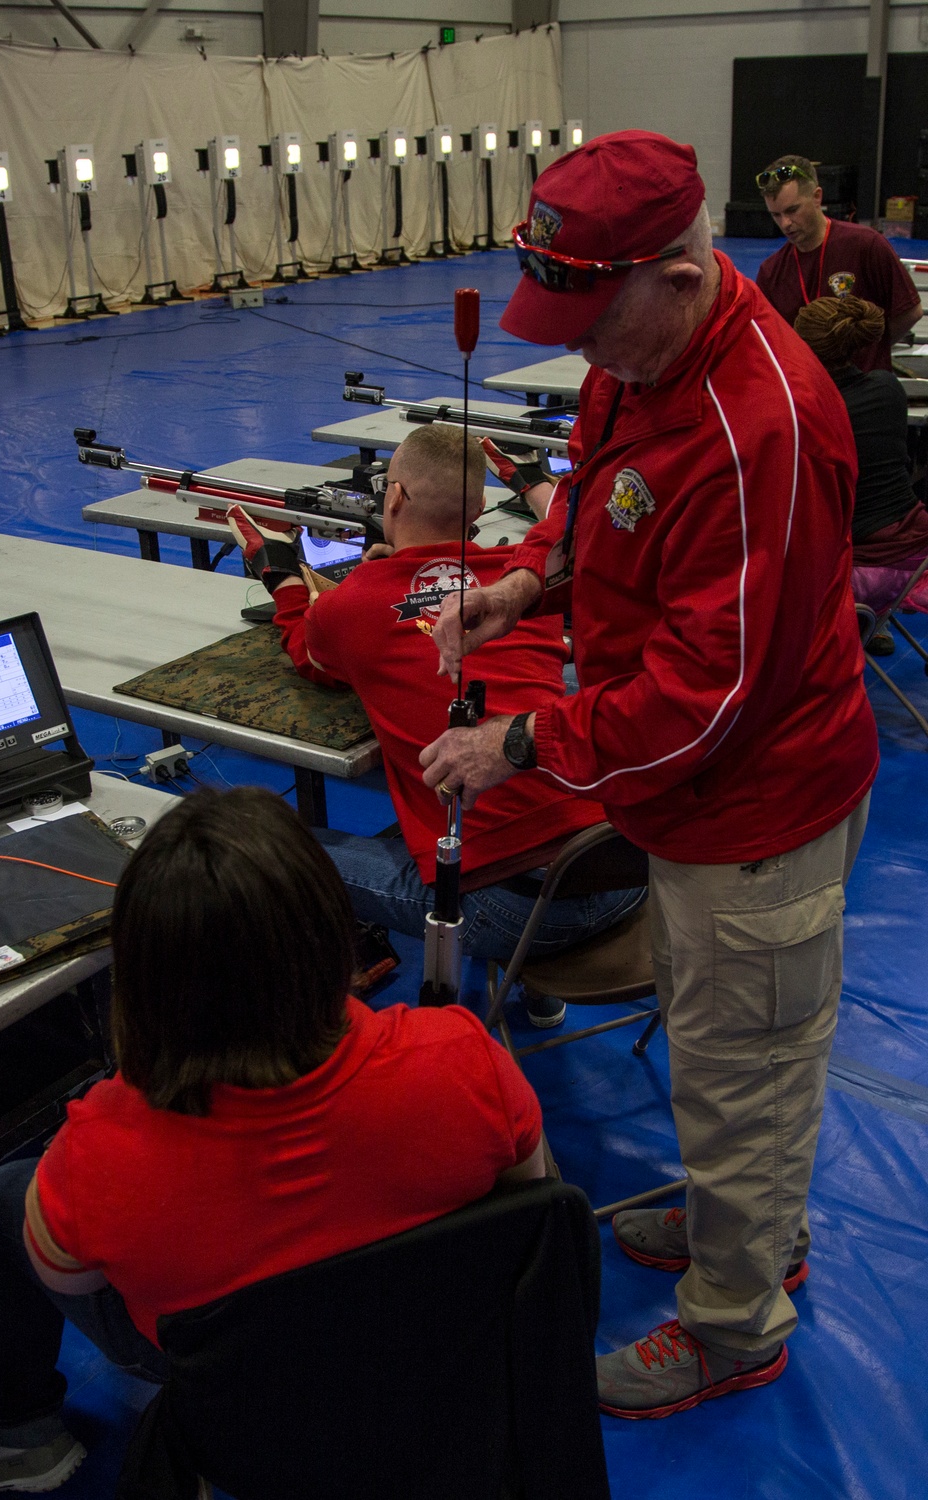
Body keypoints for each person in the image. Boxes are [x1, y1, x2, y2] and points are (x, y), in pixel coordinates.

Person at [421, 129, 880, 1418]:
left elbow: (704, 699)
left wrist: (519, 743)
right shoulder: (643, 359)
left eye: (590, 316)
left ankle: (735, 1322)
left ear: (677, 277)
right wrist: (531, 579)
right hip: (690, 806)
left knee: (745, 1072)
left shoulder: (760, 430)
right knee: (725, 1048)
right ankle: (748, 1226)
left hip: (753, 809)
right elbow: (593, 491)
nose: (577, 348)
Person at [0, 788, 544, 1494]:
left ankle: (21, 1442)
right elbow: (530, 1216)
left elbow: (72, 1279)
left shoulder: (100, 1148)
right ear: (328, 934)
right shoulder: (463, 1059)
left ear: (143, 977)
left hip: (234, 1395)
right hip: (429, 1367)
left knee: (3, 1199)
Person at [227, 423, 644, 1030]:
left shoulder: (351, 606)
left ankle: (308, 1017)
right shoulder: (516, 582)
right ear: (478, 510)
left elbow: (308, 651)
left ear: (393, 499)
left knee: (261, 849)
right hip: (626, 868)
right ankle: (534, 989)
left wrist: (281, 571)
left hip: (515, 912)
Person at [794, 294, 928, 651]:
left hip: (860, 572)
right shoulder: (887, 388)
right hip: (916, 557)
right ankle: (872, 626)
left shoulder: (808, 410)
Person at [755, 154, 920, 370]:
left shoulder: (865, 245)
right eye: (776, 215)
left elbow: (910, 311)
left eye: (792, 210)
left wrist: (871, 351)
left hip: (863, 386)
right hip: (810, 393)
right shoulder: (771, 272)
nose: (785, 223)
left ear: (817, 197)